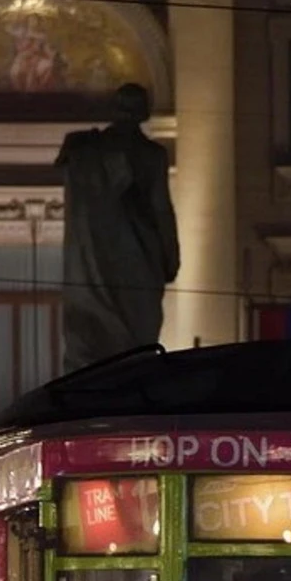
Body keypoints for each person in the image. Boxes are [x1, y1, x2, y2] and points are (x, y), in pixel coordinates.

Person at [56, 83, 180, 372]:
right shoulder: (152, 154)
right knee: (136, 337)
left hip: (92, 260)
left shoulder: (85, 150)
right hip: (138, 258)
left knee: (96, 333)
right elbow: (161, 209)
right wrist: (171, 256)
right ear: (144, 113)